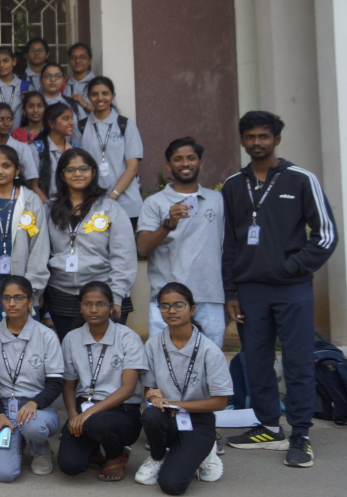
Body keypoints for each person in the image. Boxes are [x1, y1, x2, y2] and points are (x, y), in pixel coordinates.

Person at [222, 111, 336, 465]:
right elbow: (229, 244)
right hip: (250, 291)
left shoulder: (301, 179)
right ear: (242, 140)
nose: (257, 142)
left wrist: (289, 267)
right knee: (256, 360)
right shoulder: (233, 185)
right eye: (250, 137)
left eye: (264, 136)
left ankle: (300, 433)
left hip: (292, 289)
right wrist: (231, 293)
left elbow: (326, 236)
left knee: (297, 360)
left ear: (277, 140)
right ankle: (269, 426)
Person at [135, 283, 231, 492]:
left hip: (198, 419)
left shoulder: (209, 350)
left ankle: (206, 452)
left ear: (192, 309)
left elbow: (220, 402)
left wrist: (173, 403)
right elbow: (149, 389)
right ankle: (158, 456)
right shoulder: (153, 345)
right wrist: (153, 397)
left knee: (172, 485)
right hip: (166, 415)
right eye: (165, 306)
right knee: (151, 416)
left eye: (179, 305)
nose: (171, 311)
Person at [137, 138, 227, 346]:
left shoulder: (217, 200)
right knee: (164, 359)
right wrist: (167, 225)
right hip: (167, 299)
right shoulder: (154, 202)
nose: (185, 163)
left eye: (191, 158)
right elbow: (142, 247)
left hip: (210, 295)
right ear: (168, 166)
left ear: (200, 163)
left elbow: (229, 248)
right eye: (178, 159)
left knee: (210, 360)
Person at [58, 281, 147, 482]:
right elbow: (69, 384)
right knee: (70, 465)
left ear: (111, 307)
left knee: (96, 423)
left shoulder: (127, 337)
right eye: (87, 304)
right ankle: (93, 448)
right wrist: (73, 415)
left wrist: (88, 414)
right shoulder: (71, 338)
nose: (93, 309)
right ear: (80, 307)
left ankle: (117, 455)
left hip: (122, 410)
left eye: (100, 304)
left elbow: (128, 388)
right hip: (85, 406)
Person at [43, 148, 137, 337]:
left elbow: (124, 255)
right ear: (61, 175)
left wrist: (116, 296)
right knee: (70, 350)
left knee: (107, 350)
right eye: (70, 170)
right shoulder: (49, 209)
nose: (77, 174)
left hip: (104, 294)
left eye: (83, 169)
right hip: (61, 295)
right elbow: (40, 252)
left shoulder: (110, 208)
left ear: (93, 172)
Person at [0, 276, 64, 482]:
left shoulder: (46, 335)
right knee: (5, 474)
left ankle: (40, 448)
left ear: (30, 301)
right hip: (4, 408)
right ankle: (17, 441)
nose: (12, 303)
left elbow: (55, 382)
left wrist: (35, 403)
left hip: (37, 409)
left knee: (33, 426)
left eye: (18, 297)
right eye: (6, 298)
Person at [0, 146, 50, 329]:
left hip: (23, 282)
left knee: (22, 337)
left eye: (6, 166)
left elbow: (39, 246)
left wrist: (31, 287)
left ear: (17, 169)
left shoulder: (30, 200)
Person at [78, 77, 144, 226]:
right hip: (92, 203)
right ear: (88, 97)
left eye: (105, 93)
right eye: (95, 94)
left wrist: (113, 195)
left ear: (113, 96)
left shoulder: (126, 124)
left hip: (127, 202)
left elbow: (133, 168)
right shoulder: (81, 127)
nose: (100, 98)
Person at [0, 102, 43, 200]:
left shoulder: (23, 148)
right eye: (0, 120)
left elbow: (31, 180)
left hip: (18, 196)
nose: (6, 123)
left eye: (9, 119)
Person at [36, 101, 77, 199]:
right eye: (66, 119)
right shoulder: (37, 148)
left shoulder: (76, 149)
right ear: (51, 123)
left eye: (71, 118)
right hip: (46, 204)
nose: (72, 123)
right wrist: (47, 204)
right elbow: (33, 185)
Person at [65, 42, 96, 113]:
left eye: (82, 57)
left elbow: (108, 114)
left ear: (90, 61)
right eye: (73, 58)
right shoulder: (64, 84)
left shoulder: (99, 84)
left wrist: (85, 104)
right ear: (69, 61)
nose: (77, 61)